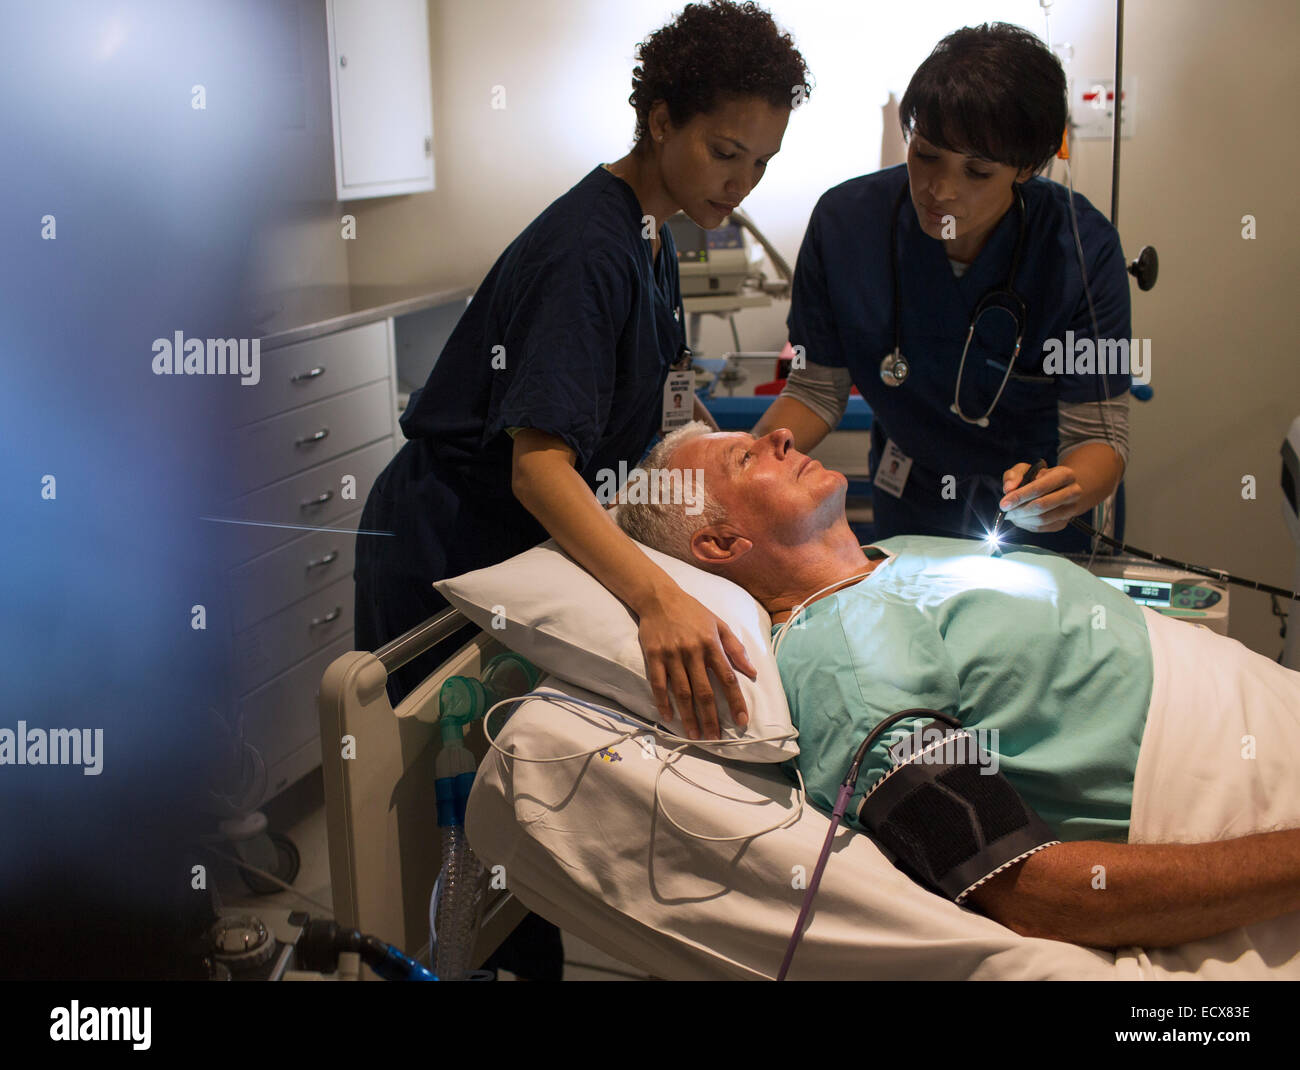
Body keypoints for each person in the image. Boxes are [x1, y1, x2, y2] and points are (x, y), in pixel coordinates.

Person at [615, 423, 1300, 950]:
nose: (783, 433)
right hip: (1243, 781)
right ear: (721, 544)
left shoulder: (900, 551)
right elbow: (1035, 894)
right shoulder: (849, 664)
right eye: (748, 457)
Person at [355, 0, 812, 745]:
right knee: (433, 775)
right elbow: (538, 470)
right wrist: (656, 599)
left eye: (762, 162)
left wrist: (730, 460)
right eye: (726, 152)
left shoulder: (653, 236)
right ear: (661, 120)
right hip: (449, 531)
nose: (743, 184)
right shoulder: (589, 252)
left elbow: (659, 391)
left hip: (509, 531)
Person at [756, 23, 1131, 553]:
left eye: (976, 171)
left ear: (1025, 168)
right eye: (926, 155)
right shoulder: (846, 225)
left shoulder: (1082, 249)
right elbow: (816, 391)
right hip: (911, 497)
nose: (941, 191)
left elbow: (1099, 434)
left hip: (1036, 516)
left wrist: (1066, 490)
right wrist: (743, 461)